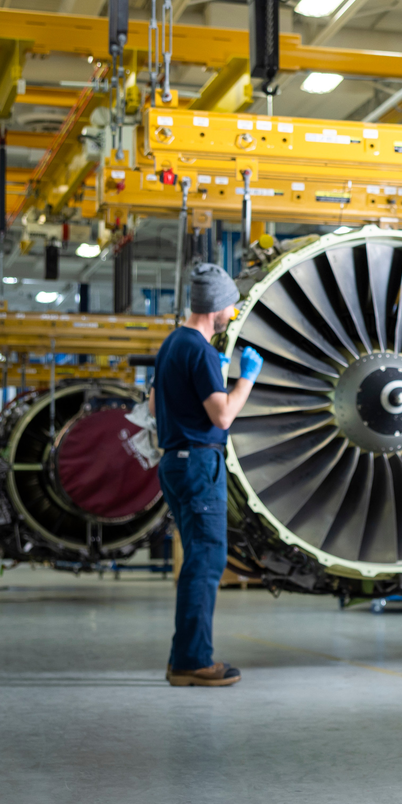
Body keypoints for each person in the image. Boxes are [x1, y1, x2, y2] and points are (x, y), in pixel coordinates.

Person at [152, 261, 263, 687]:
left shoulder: (172, 345)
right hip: (198, 462)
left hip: (175, 462)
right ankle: (193, 662)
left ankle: (184, 656)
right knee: (207, 559)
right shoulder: (198, 349)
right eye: (231, 306)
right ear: (214, 307)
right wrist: (246, 379)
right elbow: (222, 416)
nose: (233, 313)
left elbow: (152, 404)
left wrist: (210, 375)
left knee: (199, 558)